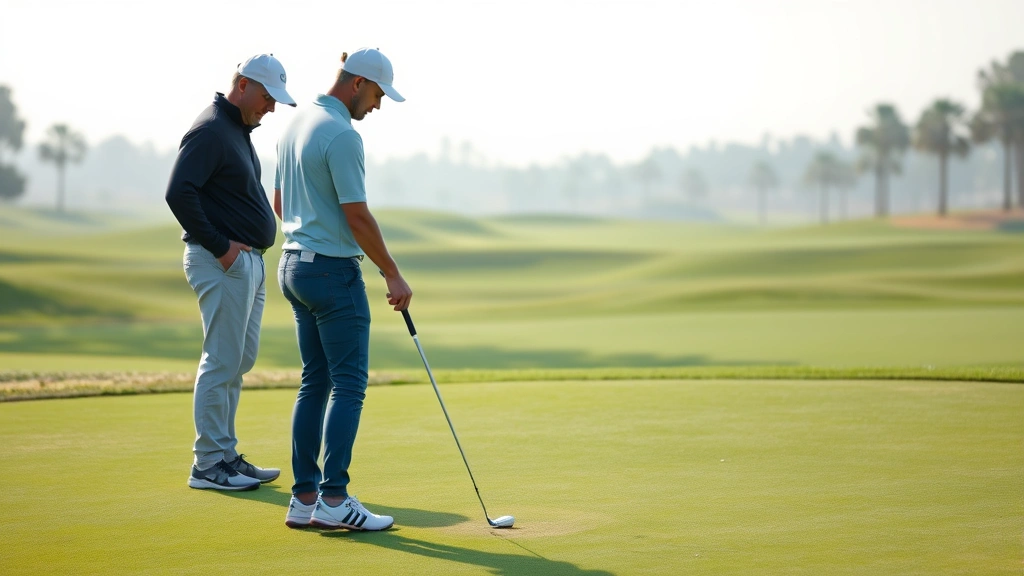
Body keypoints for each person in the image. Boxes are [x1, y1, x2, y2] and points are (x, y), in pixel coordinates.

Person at [273, 47, 413, 530]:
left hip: (292, 265)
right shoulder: (342, 134)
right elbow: (357, 215)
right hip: (332, 273)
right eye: (376, 94)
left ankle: (304, 499)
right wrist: (392, 272)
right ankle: (334, 501)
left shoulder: (295, 124)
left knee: (315, 382)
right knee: (349, 385)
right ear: (357, 83)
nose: (376, 106)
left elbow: (279, 202)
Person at [165, 54, 296, 491]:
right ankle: (207, 464)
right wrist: (222, 248)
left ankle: (225, 455)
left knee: (239, 361)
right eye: (266, 97)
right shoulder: (210, 131)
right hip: (222, 262)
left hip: (247, 264)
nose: (271, 107)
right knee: (221, 361)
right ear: (242, 85)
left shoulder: (236, 130)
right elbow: (178, 192)